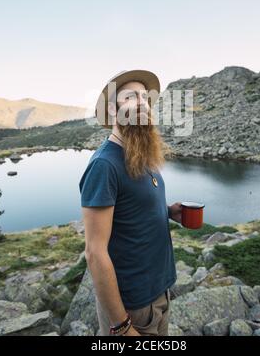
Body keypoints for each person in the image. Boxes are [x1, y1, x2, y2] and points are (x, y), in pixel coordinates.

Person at [80, 69, 182, 336]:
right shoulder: (104, 165)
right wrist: (122, 325)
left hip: (159, 293)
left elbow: (134, 207)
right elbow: (95, 253)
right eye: (131, 97)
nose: (142, 104)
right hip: (132, 307)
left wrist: (169, 212)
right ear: (113, 110)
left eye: (145, 98)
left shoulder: (139, 154)